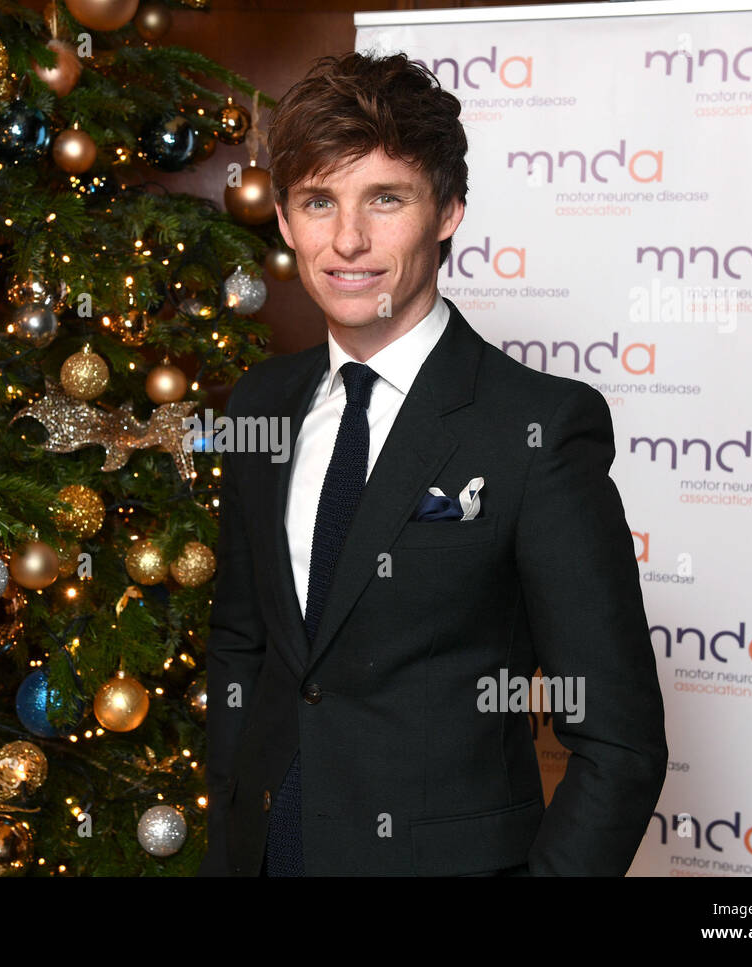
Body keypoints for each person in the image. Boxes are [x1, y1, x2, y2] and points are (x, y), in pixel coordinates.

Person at [198, 51, 667, 876]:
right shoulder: (261, 403)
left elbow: (618, 740)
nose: (347, 240)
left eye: (386, 199)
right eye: (318, 202)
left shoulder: (539, 427)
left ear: (447, 211)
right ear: (282, 220)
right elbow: (244, 644)